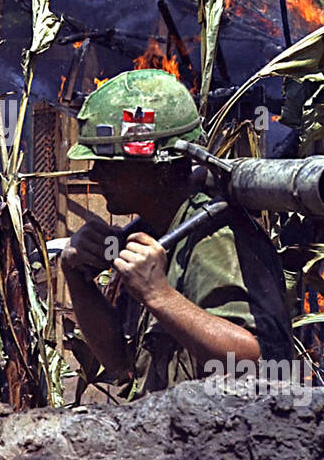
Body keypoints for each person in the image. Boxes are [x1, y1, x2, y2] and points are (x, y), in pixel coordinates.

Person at [60, 69, 293, 398]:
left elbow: (259, 366)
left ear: (161, 166)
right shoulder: (153, 233)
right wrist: (78, 278)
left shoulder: (215, 237)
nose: (97, 175)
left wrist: (160, 296)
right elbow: (119, 363)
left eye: (111, 163)